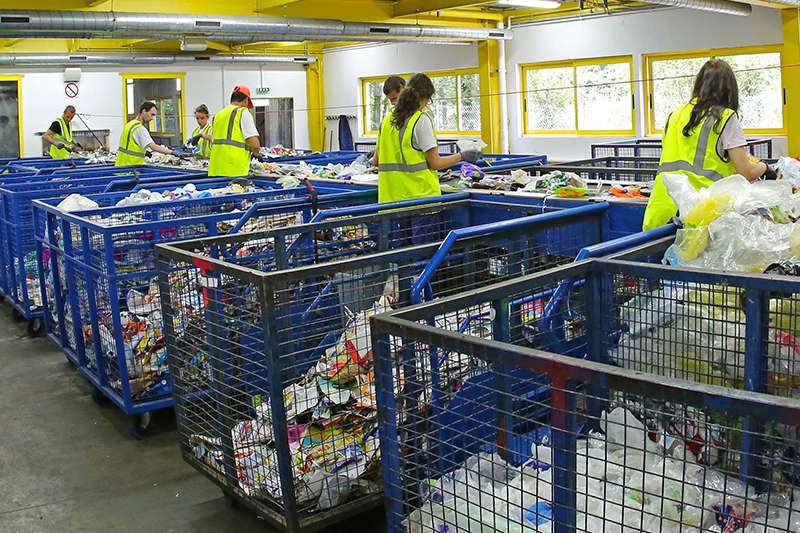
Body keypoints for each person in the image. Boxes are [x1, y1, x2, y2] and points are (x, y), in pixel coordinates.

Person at [643, 58, 776, 230]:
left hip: (661, 211)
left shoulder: (675, 115)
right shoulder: (725, 117)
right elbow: (747, 173)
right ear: (729, 89)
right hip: (700, 215)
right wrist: (766, 168)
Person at [378, 72, 480, 205]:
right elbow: (435, 163)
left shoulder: (386, 120)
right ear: (425, 97)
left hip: (391, 201)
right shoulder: (420, 120)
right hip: (420, 198)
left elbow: (377, 160)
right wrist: (462, 156)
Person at [208, 86, 262, 177]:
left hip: (215, 168)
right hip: (235, 170)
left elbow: (212, 141)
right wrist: (256, 154)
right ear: (246, 100)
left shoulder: (218, 115)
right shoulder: (242, 112)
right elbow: (255, 145)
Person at [116, 101, 175, 167]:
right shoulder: (139, 128)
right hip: (131, 168)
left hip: (120, 166)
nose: (152, 118)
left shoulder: (129, 125)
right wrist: (173, 152)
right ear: (144, 111)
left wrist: (145, 152)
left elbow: (129, 146)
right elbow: (154, 147)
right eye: (152, 114)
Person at [371, 76, 407, 167]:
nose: (393, 103)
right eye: (390, 100)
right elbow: (378, 152)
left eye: (395, 98)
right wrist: (371, 169)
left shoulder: (417, 117)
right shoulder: (386, 120)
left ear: (405, 90)